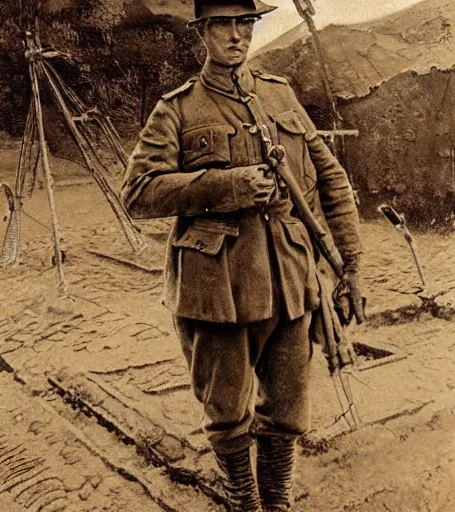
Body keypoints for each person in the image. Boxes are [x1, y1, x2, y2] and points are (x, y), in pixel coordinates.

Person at [121, 1, 365, 510]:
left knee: (288, 413)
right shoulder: (178, 109)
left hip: (290, 284)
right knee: (227, 415)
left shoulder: (279, 95)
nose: (237, 36)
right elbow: (139, 193)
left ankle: (275, 504)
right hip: (218, 289)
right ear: (203, 33)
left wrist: (352, 269)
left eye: (245, 23)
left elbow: (334, 182)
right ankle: (245, 503)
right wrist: (224, 186)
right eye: (224, 25)